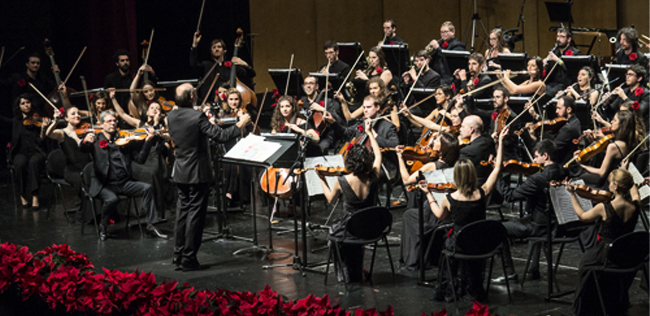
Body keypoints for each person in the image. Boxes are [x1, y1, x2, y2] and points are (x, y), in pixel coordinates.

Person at [168, 83, 250, 271]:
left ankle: (178, 254)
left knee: (182, 214)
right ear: (191, 97)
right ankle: (189, 258)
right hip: (197, 173)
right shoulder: (197, 116)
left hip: (180, 171)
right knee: (195, 216)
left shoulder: (171, 115)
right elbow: (220, 136)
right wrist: (240, 124)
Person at [422, 127, 507, 302]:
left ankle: (450, 287)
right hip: (481, 244)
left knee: (447, 241)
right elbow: (497, 169)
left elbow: (439, 215)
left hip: (460, 245)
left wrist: (428, 193)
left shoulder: (449, 198)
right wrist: (500, 144)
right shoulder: (482, 193)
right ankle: (473, 287)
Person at [79, 110, 166, 241]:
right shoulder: (95, 139)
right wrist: (85, 141)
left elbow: (140, 160)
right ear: (102, 124)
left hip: (124, 183)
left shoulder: (125, 139)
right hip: (104, 185)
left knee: (147, 188)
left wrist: (148, 141)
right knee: (112, 199)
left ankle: (151, 225)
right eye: (109, 121)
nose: (113, 123)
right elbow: (83, 149)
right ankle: (103, 225)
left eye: (114, 121)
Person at [317, 119, 381, 283]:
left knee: (333, 232)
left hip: (350, 229)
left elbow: (331, 200)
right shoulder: (374, 176)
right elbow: (378, 154)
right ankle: (356, 270)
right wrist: (370, 134)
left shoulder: (343, 180)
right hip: (371, 228)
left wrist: (322, 179)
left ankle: (345, 273)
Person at [491, 140, 564, 284]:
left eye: (536, 156)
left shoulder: (537, 178)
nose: (534, 160)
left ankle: (510, 273)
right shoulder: (563, 171)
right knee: (534, 216)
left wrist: (497, 173)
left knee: (497, 229)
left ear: (546, 156)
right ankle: (534, 269)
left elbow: (509, 196)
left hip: (540, 228)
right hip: (558, 225)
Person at [569, 168, 640, 316]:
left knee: (585, 264)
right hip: (626, 254)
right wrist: (626, 173)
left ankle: (584, 307)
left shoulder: (604, 208)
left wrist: (572, 194)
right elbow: (635, 192)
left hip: (606, 253)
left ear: (615, 186)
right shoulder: (635, 206)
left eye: (610, 183)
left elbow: (582, 216)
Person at [398, 132, 460, 270]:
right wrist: (432, 147)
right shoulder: (456, 167)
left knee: (409, 215)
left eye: (436, 140)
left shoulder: (431, 167)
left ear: (442, 148)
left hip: (432, 213)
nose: (433, 140)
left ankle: (412, 261)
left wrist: (400, 158)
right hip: (448, 213)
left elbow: (407, 180)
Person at [330, 96, 400, 179]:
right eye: (364, 107)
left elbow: (395, 145)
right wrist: (333, 122)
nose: (365, 110)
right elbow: (346, 132)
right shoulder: (363, 123)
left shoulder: (388, 126)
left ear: (377, 107)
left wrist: (374, 135)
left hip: (381, 165)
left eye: (369, 107)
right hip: (360, 164)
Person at [45, 106, 93, 222]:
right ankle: (87, 215)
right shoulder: (62, 133)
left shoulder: (85, 131)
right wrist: (55, 121)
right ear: (66, 118)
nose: (77, 115)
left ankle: (97, 214)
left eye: (78, 113)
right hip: (72, 171)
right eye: (73, 114)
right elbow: (48, 133)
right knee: (85, 183)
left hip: (87, 168)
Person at [575, 110, 637, 187]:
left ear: (622, 125)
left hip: (609, 183)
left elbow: (602, 172)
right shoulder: (629, 141)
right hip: (619, 182)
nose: (611, 122)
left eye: (614, 120)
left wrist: (582, 165)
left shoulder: (613, 146)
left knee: (580, 177)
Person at [9, 95, 49, 210]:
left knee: (34, 162)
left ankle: (35, 196)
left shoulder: (37, 119)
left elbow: (41, 141)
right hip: (21, 152)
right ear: (19, 106)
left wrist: (43, 129)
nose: (26, 105)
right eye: (23, 103)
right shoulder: (16, 121)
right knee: (20, 164)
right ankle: (23, 194)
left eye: (28, 102)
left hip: (36, 151)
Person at [190, 33, 256, 101]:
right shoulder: (207, 65)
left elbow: (251, 74)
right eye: (214, 47)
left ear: (224, 51)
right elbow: (193, 64)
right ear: (211, 51)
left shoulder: (231, 66)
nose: (216, 49)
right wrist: (194, 45)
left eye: (219, 47)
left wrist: (245, 64)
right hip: (210, 102)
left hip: (229, 101)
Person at [527, 95, 582, 169]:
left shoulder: (569, 128)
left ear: (569, 110)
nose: (556, 111)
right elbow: (550, 126)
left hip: (563, 168)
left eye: (559, 108)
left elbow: (551, 149)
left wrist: (534, 138)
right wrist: (535, 115)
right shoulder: (574, 121)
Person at [457, 115, 495, 186]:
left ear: (471, 129)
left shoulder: (467, 151)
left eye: (463, 127)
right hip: (489, 184)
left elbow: (460, 176)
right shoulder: (489, 141)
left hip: (472, 188)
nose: (460, 129)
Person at [542, 28, 581, 96]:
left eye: (562, 37)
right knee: (539, 89)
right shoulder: (554, 52)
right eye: (557, 36)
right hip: (552, 83)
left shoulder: (575, 53)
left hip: (566, 84)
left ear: (569, 39)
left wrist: (558, 60)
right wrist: (545, 66)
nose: (558, 39)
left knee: (547, 93)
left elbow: (572, 71)